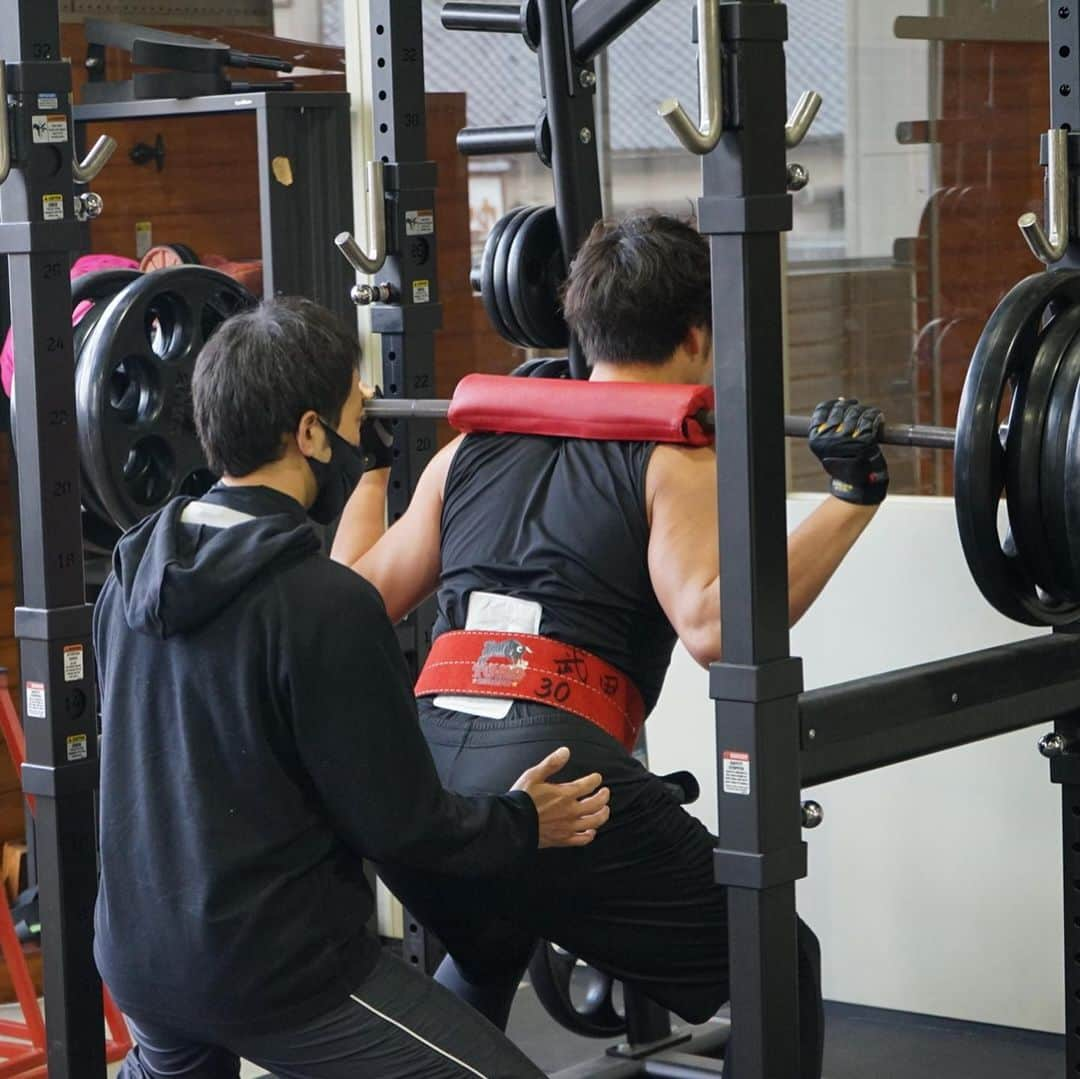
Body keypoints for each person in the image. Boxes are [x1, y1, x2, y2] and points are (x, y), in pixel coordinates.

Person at [330, 213, 890, 1079]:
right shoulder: (670, 456)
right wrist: (851, 495)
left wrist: (362, 469)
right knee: (778, 960)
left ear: (582, 329)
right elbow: (713, 627)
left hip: (420, 771)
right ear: (698, 334)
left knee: (487, 943)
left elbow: (350, 606)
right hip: (557, 773)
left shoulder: (473, 445)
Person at [93, 297, 612, 1079]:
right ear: (309, 434)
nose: (359, 429)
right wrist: (522, 820)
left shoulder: (131, 574)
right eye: (353, 413)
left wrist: (368, 469)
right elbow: (406, 826)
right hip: (276, 975)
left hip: (138, 954)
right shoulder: (324, 604)